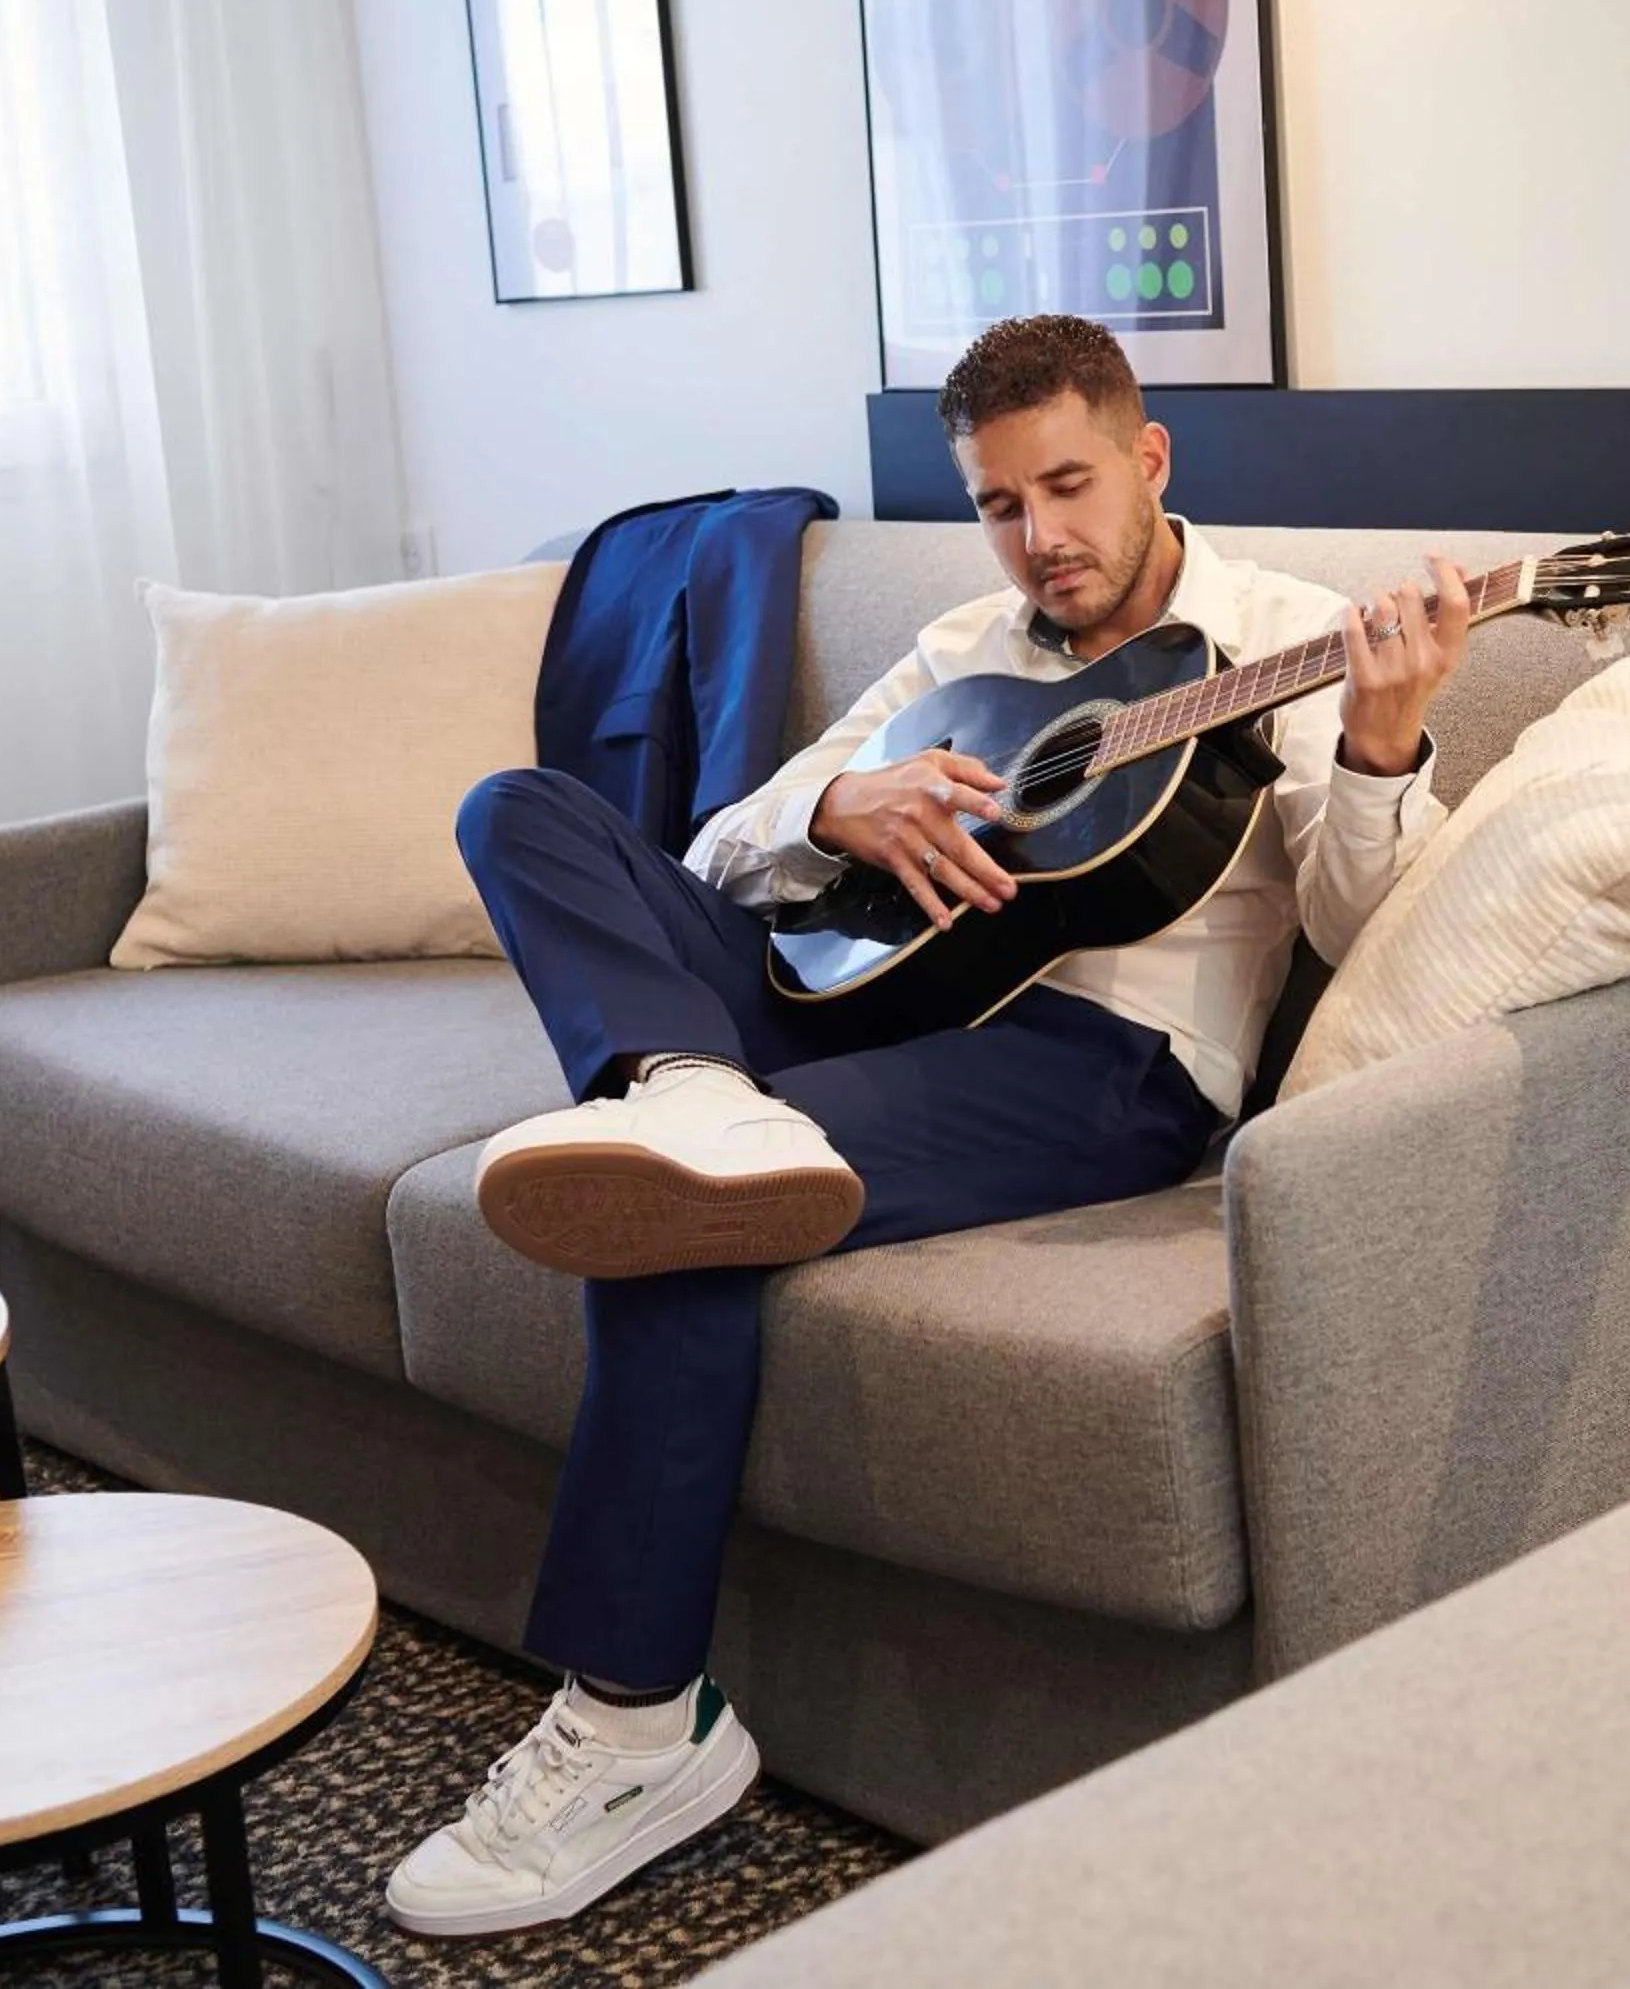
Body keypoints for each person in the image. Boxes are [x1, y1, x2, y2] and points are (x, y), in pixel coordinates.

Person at [384, 314, 1471, 1938]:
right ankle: (688, 1088)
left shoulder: (1290, 639)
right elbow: (718, 851)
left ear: (1150, 458)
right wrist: (836, 802)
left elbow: (1366, 910)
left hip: (1100, 1059)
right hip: (865, 1005)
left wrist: (1385, 738)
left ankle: (632, 1723)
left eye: (1068, 486)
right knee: (515, 812)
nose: (1042, 537)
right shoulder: (968, 644)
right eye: (1000, 503)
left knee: (669, 1211)